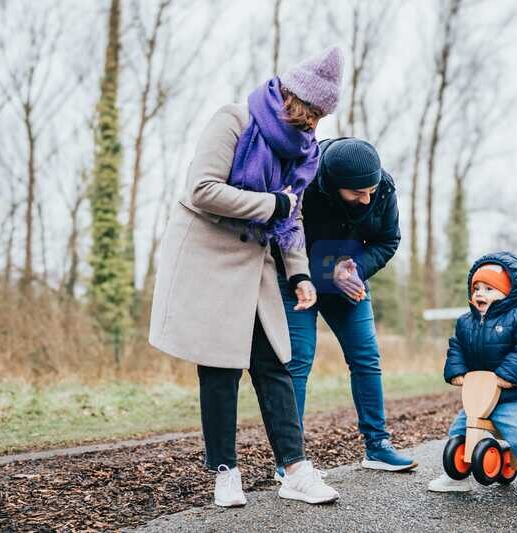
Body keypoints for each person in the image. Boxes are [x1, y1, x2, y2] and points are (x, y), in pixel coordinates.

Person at [149, 46, 344, 507]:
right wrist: (270, 204)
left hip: (256, 261)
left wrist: (299, 274)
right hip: (208, 253)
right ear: (293, 97)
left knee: (274, 363)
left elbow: (291, 215)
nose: (315, 123)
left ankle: (295, 471)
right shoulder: (234, 120)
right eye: (312, 111)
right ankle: (225, 473)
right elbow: (202, 189)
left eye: (323, 116)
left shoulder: (304, 151)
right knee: (218, 368)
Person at [274, 138, 417, 479]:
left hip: (349, 278)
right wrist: (327, 270)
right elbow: (283, 237)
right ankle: (289, 461)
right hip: (298, 279)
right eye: (357, 193)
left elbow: (388, 240)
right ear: (332, 184)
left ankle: (378, 446)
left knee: (366, 357)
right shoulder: (301, 179)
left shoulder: (382, 189)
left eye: (371, 188)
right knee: (298, 361)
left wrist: (355, 268)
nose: (367, 198)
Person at [427, 251, 517, 508]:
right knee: (459, 430)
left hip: (510, 396)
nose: (480, 293)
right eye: (476, 288)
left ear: (508, 292)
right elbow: (457, 347)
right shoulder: (465, 323)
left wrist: (506, 376)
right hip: (478, 396)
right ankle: (458, 476)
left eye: (489, 288)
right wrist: (457, 371)